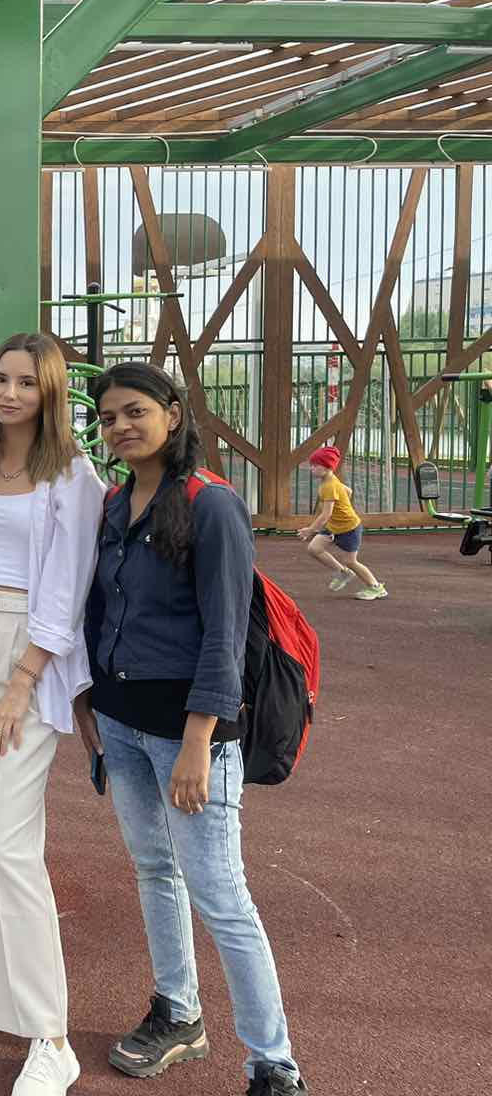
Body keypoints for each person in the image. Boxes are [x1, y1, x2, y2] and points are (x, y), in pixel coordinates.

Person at [77, 362, 307, 1096]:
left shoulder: (212, 505)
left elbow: (225, 634)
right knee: (155, 869)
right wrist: (89, 706)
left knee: (221, 895)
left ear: (173, 413)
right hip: (121, 723)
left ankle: (272, 1063)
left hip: (189, 732)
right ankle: (178, 1012)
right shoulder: (116, 503)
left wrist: (201, 741)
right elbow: (100, 611)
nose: (121, 426)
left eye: (135, 411)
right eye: (109, 417)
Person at [0, 333, 105, 1096]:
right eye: (0, 380)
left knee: (10, 844)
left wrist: (23, 680)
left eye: (26, 383)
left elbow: (67, 588)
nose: (9, 393)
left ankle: (51, 1036)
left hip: (27, 655)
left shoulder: (72, 477)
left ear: (51, 393)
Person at [297, 446, 385, 600]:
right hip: (334, 527)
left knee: (350, 561)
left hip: (349, 528)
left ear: (327, 467)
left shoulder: (329, 486)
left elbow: (326, 515)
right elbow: (349, 491)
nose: (311, 468)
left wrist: (310, 530)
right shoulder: (330, 480)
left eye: (315, 465)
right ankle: (343, 573)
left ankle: (376, 587)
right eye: (312, 465)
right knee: (314, 548)